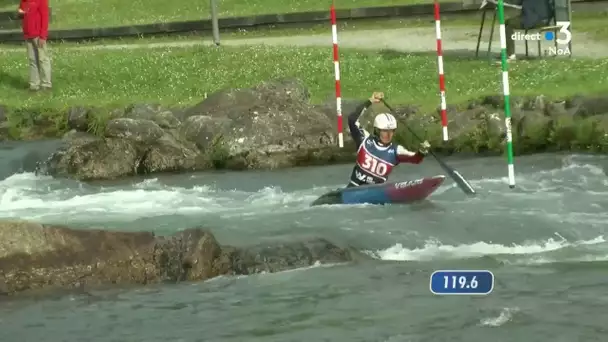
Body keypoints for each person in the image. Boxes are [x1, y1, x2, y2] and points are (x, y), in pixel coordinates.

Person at [346, 92, 431, 187]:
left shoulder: (396, 150)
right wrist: (370, 101)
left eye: (392, 131)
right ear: (377, 131)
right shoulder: (364, 139)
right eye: (385, 131)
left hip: (376, 192)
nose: (389, 135)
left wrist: (422, 152)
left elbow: (415, 159)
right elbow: (352, 119)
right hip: (353, 189)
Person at [18, 0, 52, 92]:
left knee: (43, 59)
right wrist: (20, 13)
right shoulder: (23, 1)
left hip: (38, 35)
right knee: (32, 60)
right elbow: (21, 12)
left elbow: (45, 17)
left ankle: (46, 84)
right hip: (28, 34)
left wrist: (43, 36)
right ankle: (34, 85)